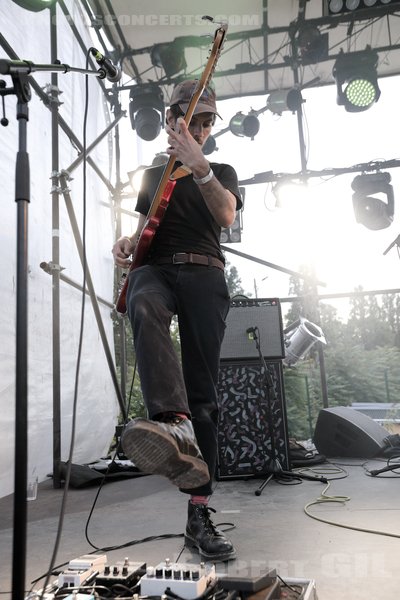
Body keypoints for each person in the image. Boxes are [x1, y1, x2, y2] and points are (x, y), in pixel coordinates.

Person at [112, 80, 242, 562]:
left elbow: (226, 215)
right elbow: (150, 226)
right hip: (157, 269)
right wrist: (127, 242)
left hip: (205, 274)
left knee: (204, 396)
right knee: (142, 304)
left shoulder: (221, 168)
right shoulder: (153, 174)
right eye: (195, 119)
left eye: (209, 121)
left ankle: (199, 513)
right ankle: (172, 421)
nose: (203, 128)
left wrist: (200, 167)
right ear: (172, 121)